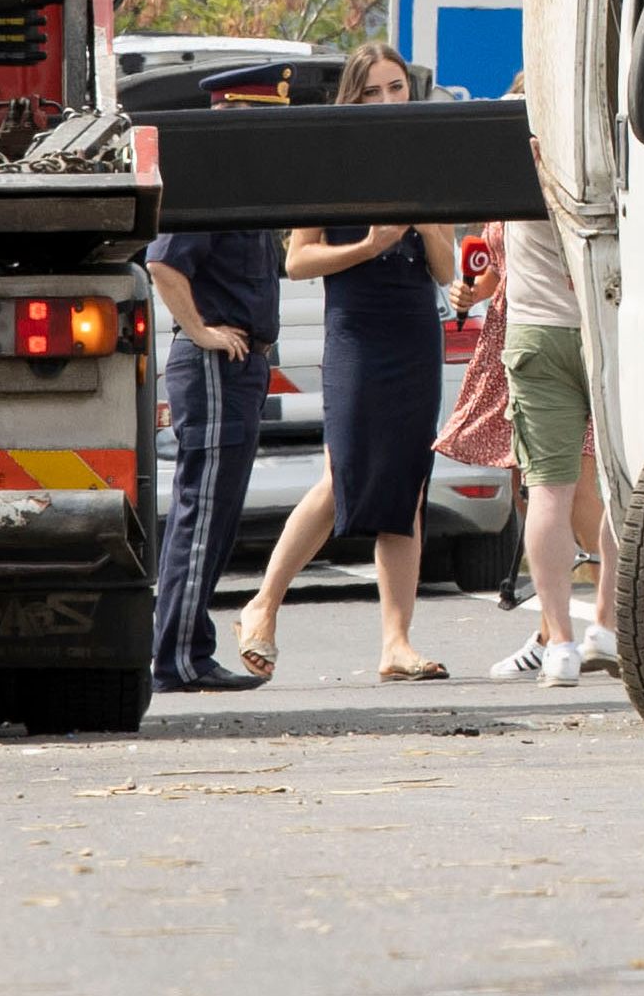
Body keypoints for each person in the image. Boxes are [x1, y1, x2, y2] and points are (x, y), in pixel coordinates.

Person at [231, 46, 465, 684]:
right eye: (372, 91)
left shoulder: (425, 160)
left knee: (406, 485)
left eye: (396, 88)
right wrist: (368, 245)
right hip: (358, 330)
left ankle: (397, 642)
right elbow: (297, 260)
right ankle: (263, 603)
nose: (388, 101)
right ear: (352, 99)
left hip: (415, 328)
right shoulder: (329, 158)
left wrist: (426, 227)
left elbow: (446, 270)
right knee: (347, 478)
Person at [143, 215, 280, 694]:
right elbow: (162, 263)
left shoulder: (247, 194)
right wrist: (200, 330)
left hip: (243, 365)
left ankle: (190, 651)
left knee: (216, 518)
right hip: (215, 366)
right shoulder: (211, 190)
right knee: (202, 514)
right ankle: (177, 659)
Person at [487, 203, 617, 686]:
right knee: (621, 484)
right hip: (604, 324)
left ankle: (559, 644)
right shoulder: (597, 146)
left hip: (537, 329)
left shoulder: (514, 153)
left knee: (547, 491)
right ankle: (606, 622)